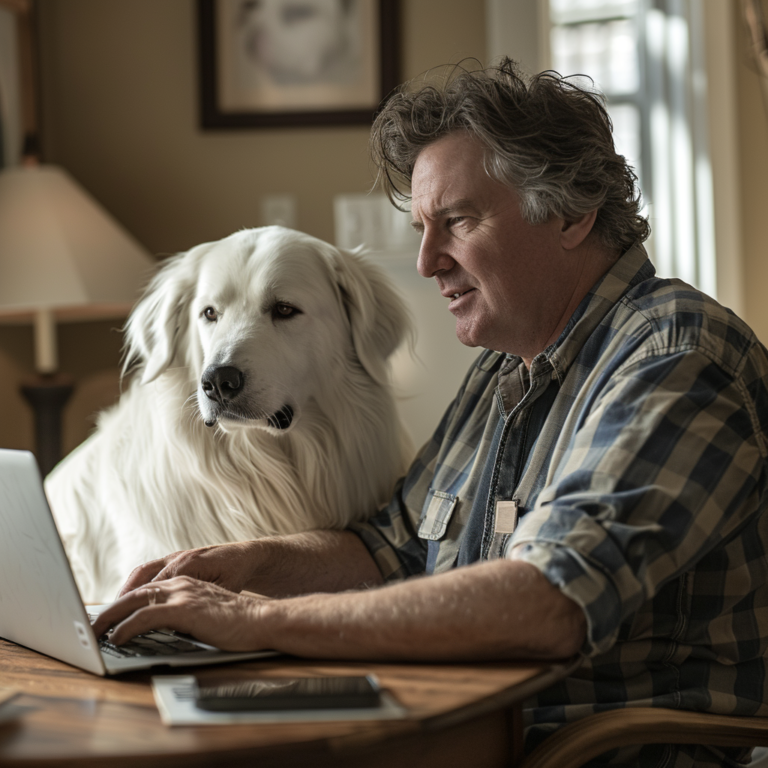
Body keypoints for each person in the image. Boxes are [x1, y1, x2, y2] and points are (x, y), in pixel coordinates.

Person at [93, 59, 768, 766]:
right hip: (465, 733)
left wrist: (260, 619)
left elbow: (550, 601)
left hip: (586, 753)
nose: (425, 261)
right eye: (421, 226)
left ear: (571, 214)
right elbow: (391, 549)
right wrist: (230, 568)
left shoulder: (676, 356)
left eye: (457, 221)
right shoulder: (508, 369)